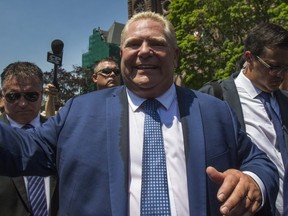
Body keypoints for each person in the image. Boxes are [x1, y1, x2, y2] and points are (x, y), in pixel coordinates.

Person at [0, 12, 279, 216]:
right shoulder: (78, 112)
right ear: (122, 54)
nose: (144, 51)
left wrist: (253, 180)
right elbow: (21, 150)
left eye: (156, 43)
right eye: (134, 44)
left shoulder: (213, 111)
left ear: (175, 55)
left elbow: (259, 161)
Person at [199, 22, 288, 215]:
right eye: (273, 67)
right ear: (249, 58)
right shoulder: (214, 98)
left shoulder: (285, 101)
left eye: (286, 67)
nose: (280, 75)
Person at [0, 61, 59, 216]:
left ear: (42, 94)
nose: (23, 103)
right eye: (13, 96)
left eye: (31, 96)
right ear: (2, 97)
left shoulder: (61, 135)